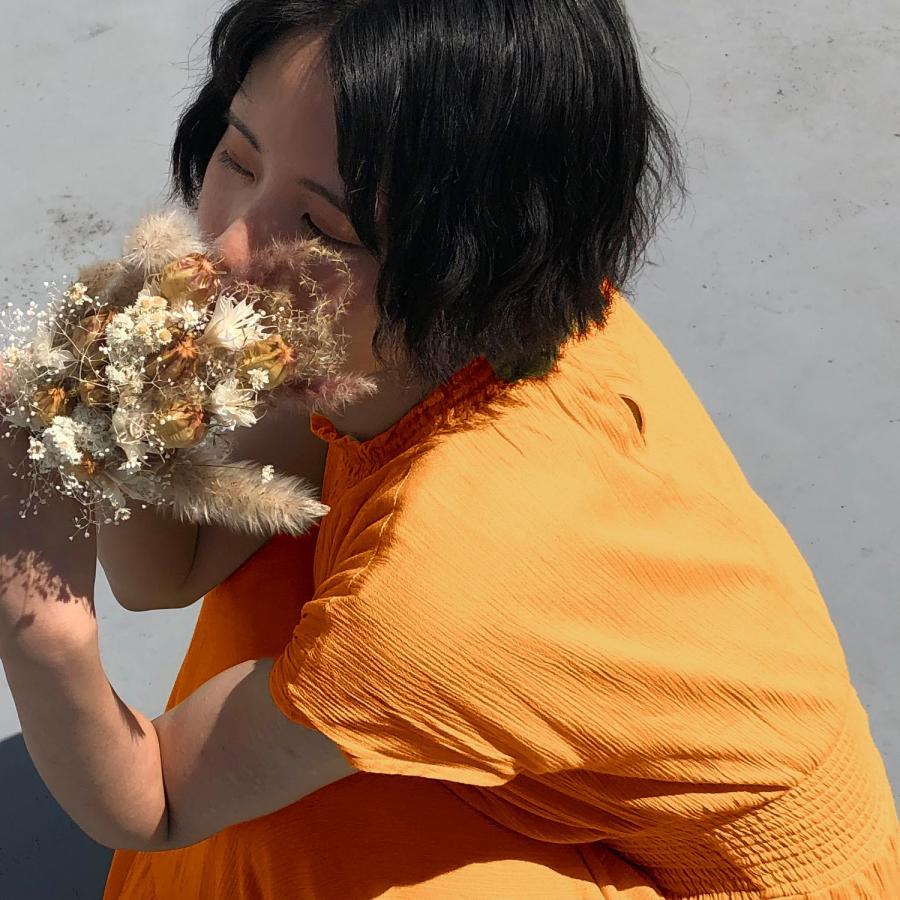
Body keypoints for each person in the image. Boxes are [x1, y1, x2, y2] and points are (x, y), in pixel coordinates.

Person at [7, 0, 894, 897]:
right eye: (238, 157)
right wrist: (116, 413)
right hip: (585, 739)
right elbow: (171, 566)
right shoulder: (471, 324)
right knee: (274, 575)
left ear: (472, 258)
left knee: (287, 847)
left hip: (726, 881)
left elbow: (160, 797)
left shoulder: (442, 586)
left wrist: (38, 624)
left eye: (324, 228)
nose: (229, 248)